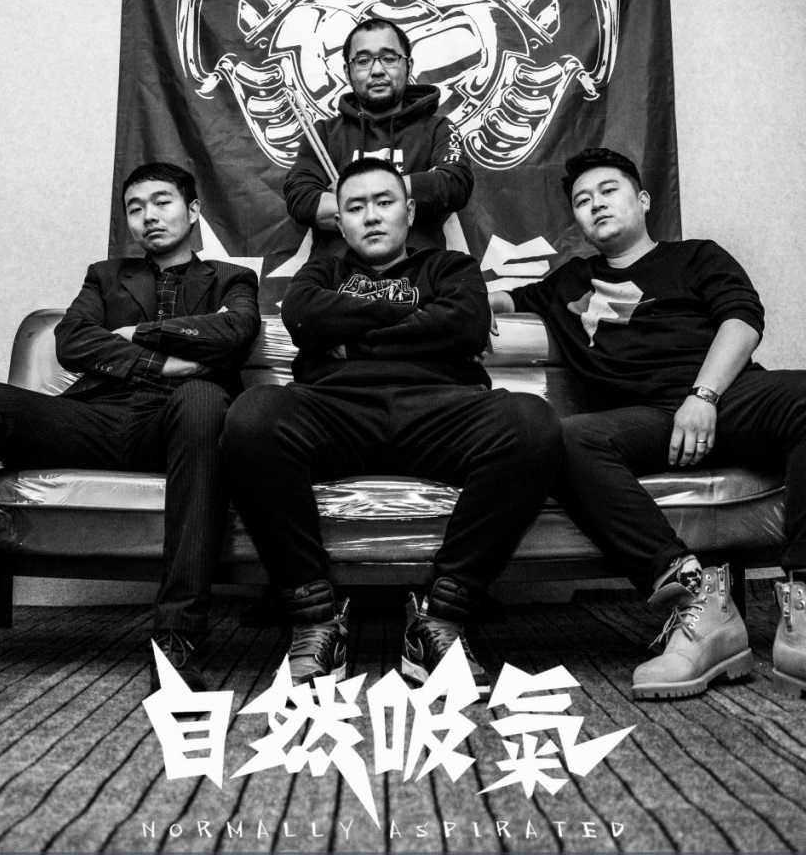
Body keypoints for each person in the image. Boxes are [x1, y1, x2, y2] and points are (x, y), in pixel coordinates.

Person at [489, 147, 806, 712]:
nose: (596, 204)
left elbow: (743, 320)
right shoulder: (567, 283)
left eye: (608, 191)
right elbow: (494, 298)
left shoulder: (695, 256)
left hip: (729, 396)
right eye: (582, 201)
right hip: (647, 417)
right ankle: (699, 607)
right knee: (568, 437)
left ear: (642, 200)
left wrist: (703, 395)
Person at [0, 163, 260, 712]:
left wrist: (137, 333)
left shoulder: (231, 279)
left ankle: (176, 644)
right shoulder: (105, 277)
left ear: (193, 210)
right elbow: (74, 341)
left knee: (204, 398)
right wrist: (161, 363)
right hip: (98, 418)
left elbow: (234, 332)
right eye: (135, 208)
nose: (148, 217)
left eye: (162, 202)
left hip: (182, 424)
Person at [224, 157, 559, 694]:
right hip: (336, 410)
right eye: (356, 207)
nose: (372, 216)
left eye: (384, 202)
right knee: (252, 415)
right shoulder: (319, 274)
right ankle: (315, 621)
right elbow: (305, 316)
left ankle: (440, 619)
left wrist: (351, 337)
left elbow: (466, 323)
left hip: (441, 410)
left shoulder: (451, 267)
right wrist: (417, 318)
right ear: (340, 222)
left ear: (410, 210)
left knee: (531, 421)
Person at [283, 17, 473, 261]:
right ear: (347, 71)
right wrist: (398, 198)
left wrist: (350, 194)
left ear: (408, 65)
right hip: (335, 277)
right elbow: (302, 201)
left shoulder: (438, 128)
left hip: (418, 276)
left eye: (389, 58)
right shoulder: (323, 134)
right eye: (363, 61)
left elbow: (453, 184)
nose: (377, 70)